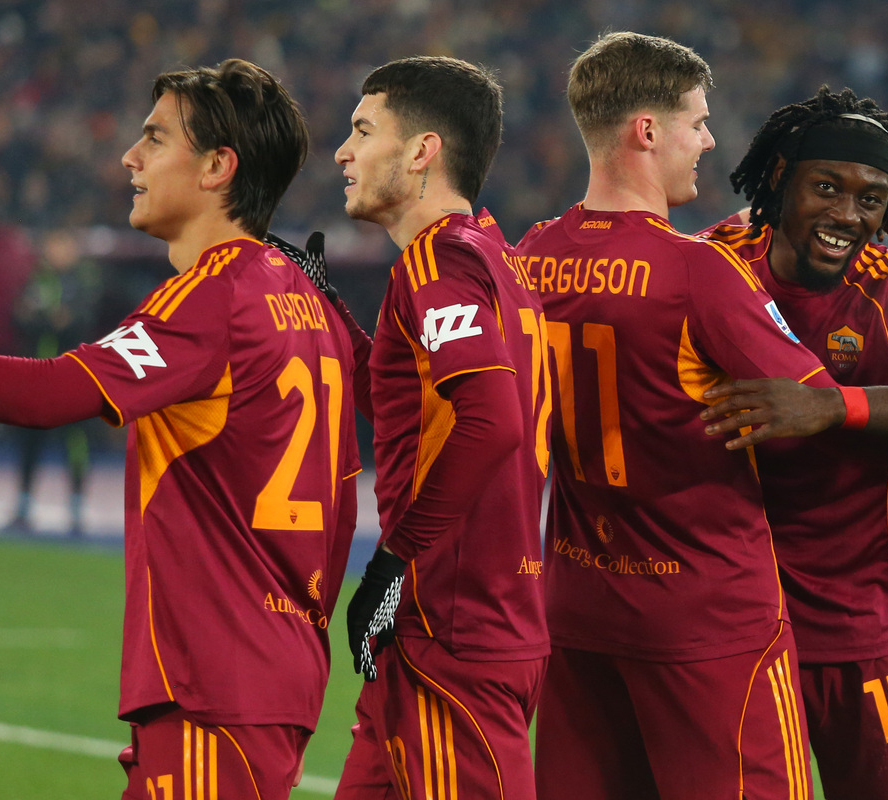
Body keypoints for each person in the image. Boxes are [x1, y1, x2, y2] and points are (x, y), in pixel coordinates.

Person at [516, 34, 888, 800]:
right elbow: (805, 401)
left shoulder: (529, 256)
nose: (710, 139)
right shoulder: (700, 269)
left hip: (580, 603)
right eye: (697, 119)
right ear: (647, 131)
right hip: (706, 613)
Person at [0, 59, 360, 800]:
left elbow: (56, 390)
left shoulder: (213, 295)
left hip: (215, 683)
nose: (130, 157)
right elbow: (344, 495)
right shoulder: (311, 302)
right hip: (265, 672)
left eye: (154, 139)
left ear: (218, 166)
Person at [700, 86, 888, 800]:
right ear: (780, 180)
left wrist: (830, 408)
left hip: (859, 625)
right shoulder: (716, 259)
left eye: (872, 199)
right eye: (828, 188)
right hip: (731, 621)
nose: (848, 215)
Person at [315, 57, 552, 800]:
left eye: (361, 130)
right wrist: (327, 307)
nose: (342, 153)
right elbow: (410, 402)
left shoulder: (437, 262)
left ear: (421, 152)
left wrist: (393, 562)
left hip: (453, 624)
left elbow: (490, 423)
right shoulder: (491, 255)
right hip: (462, 620)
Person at [8, 228, 103, 535]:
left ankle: (76, 506)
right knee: (28, 442)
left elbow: (82, 321)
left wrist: (46, 319)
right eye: (53, 243)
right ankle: (23, 505)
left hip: (73, 379)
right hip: (35, 377)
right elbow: (18, 317)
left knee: (76, 443)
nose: (58, 250)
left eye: (63, 243)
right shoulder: (36, 279)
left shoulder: (84, 281)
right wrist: (52, 319)